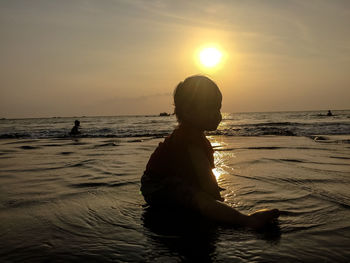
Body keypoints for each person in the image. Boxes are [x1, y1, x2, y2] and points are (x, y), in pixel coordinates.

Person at [140, 75, 279, 229]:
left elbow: (202, 169)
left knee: (198, 194)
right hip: (156, 186)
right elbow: (204, 173)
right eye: (211, 108)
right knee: (201, 199)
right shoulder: (188, 139)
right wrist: (215, 200)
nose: (218, 114)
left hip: (169, 179)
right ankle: (247, 221)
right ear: (188, 112)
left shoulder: (197, 137)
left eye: (218, 108)